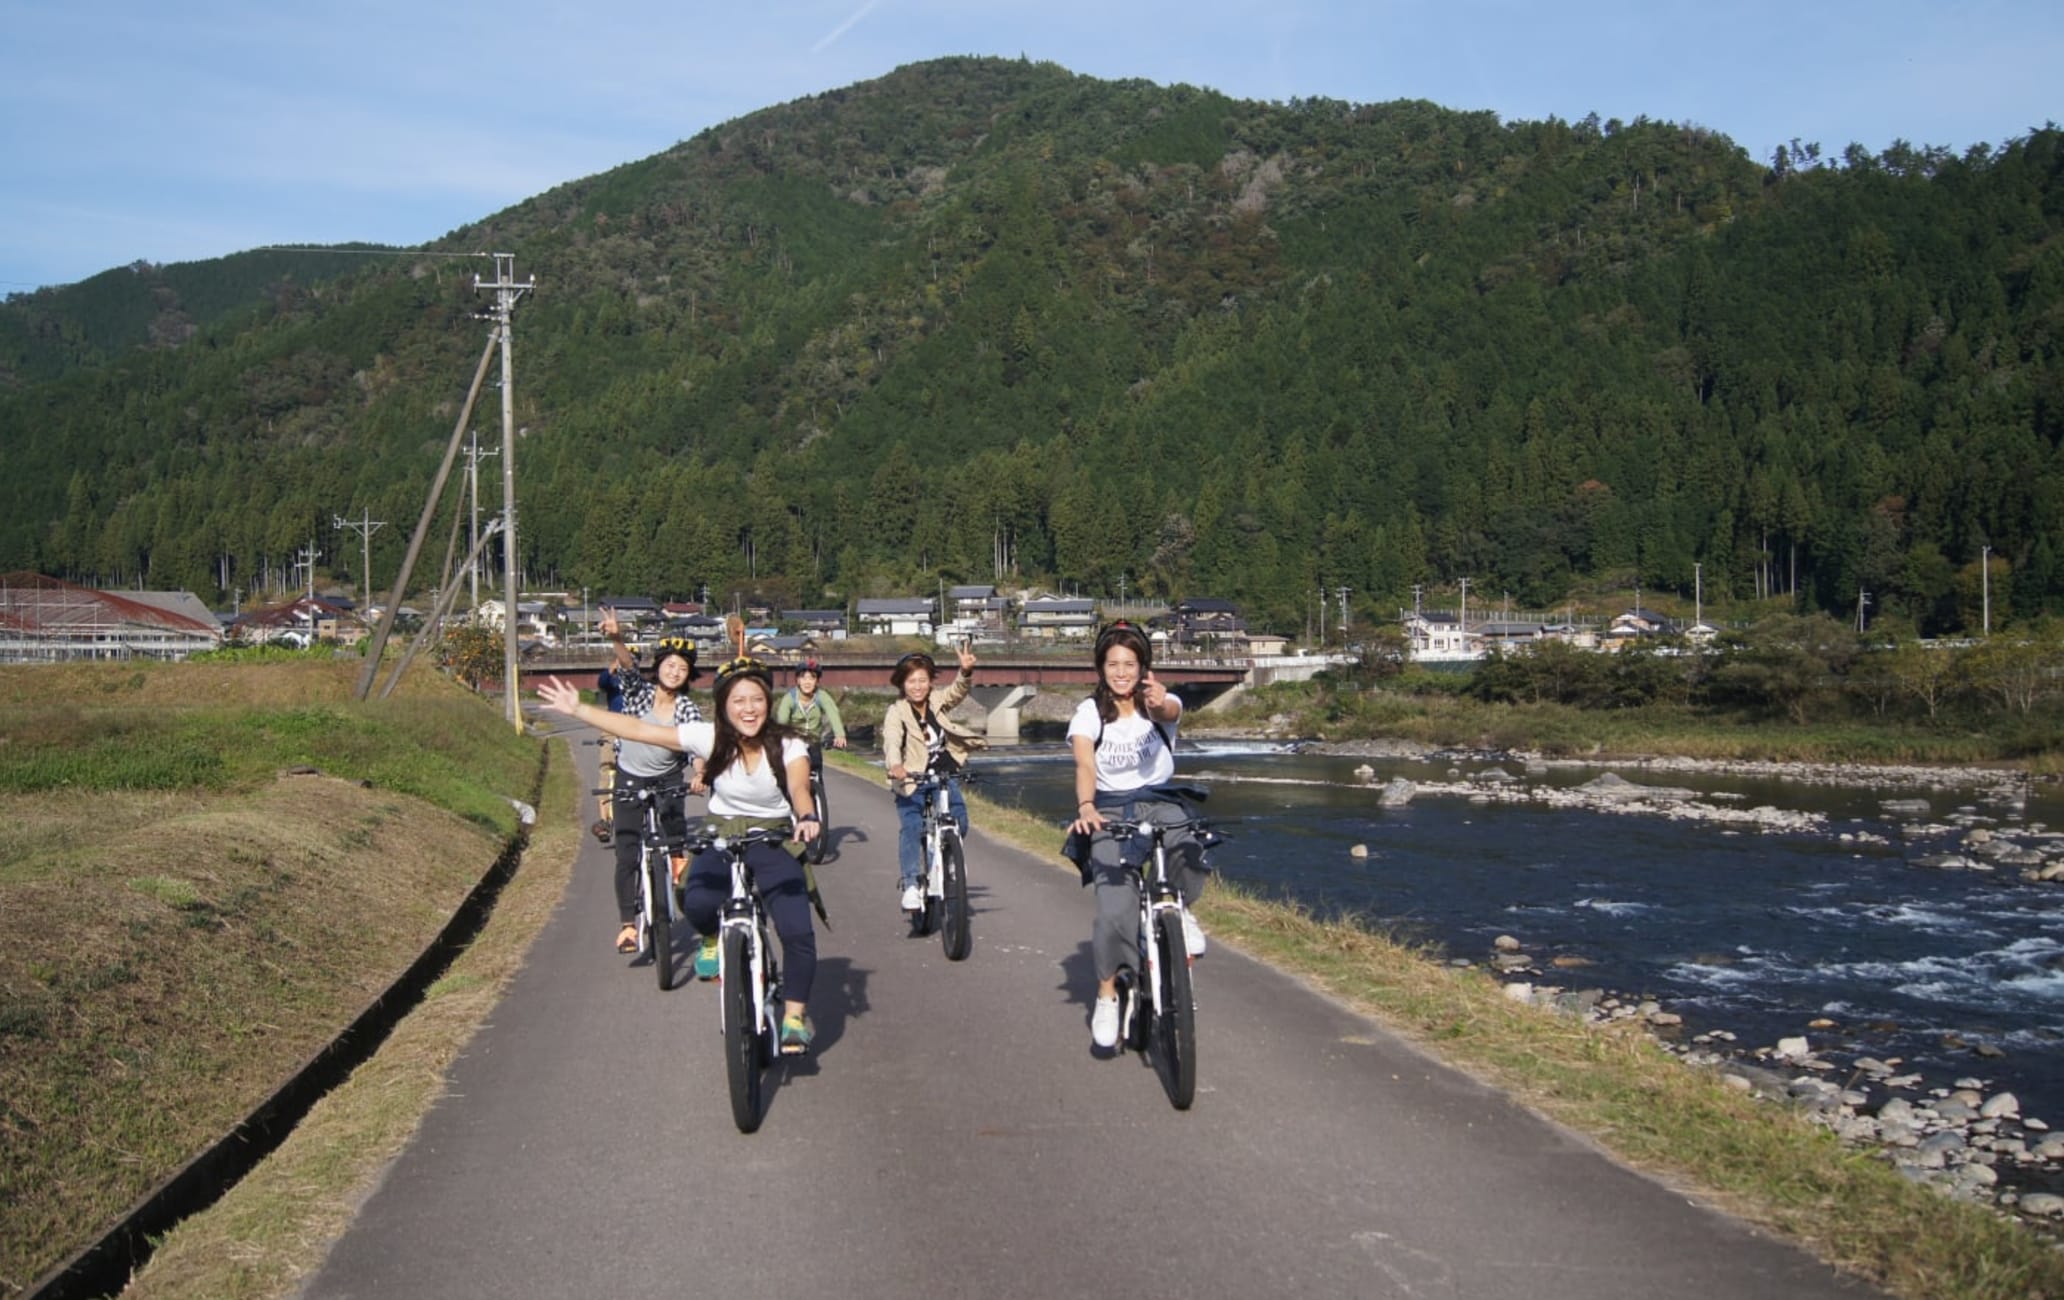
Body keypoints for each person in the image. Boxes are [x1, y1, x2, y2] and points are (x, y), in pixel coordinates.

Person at [539, 658, 824, 1054]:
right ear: (724, 705)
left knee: (797, 930)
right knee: (696, 899)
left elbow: (799, 786)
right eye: (738, 700)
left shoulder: (788, 744)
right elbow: (641, 729)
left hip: (774, 835)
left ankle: (793, 1017)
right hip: (722, 833)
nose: (748, 708)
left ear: (768, 702)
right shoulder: (709, 737)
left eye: (756, 699)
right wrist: (580, 710)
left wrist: (807, 814)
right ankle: (712, 938)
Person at [1065, 621, 1207, 1050]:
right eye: (1113, 664)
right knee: (1113, 909)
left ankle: (1178, 910)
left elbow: (1169, 711)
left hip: (1162, 799)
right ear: (1101, 667)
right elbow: (1085, 765)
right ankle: (1108, 992)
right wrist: (1086, 807)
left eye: (1130, 663)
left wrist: (1161, 702)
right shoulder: (1089, 713)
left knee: (1189, 845)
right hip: (1109, 807)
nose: (1121, 672)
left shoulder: (1162, 703)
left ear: (1144, 666)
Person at [602, 613, 702, 957]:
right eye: (670, 665)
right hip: (630, 775)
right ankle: (628, 925)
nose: (675, 671)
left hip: (667, 777)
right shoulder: (639, 694)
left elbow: (696, 747)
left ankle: (676, 856)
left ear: (688, 676)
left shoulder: (687, 708)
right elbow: (627, 667)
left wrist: (701, 773)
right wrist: (617, 637)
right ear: (658, 667)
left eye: (682, 668)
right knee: (627, 852)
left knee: (675, 828)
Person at [882, 642, 981, 914]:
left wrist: (965, 671)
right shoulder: (897, 711)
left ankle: (948, 857)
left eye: (922, 680)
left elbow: (957, 691)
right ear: (902, 684)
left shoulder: (937, 701)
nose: (917, 686)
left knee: (959, 817)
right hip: (912, 778)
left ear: (929, 682)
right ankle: (912, 884)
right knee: (912, 827)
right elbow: (891, 740)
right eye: (911, 681)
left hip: (943, 773)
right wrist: (896, 765)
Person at [589, 614, 636, 845]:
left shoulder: (640, 684)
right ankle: (605, 820)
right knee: (607, 770)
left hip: (636, 730)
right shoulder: (612, 679)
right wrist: (611, 670)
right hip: (612, 729)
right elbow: (601, 683)